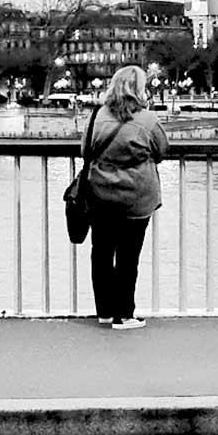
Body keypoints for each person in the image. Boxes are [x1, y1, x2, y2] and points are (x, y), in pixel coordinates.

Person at [84, 65, 169, 330]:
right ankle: (125, 314)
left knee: (101, 253)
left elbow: (86, 150)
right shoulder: (148, 120)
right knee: (128, 257)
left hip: (100, 194)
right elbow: (162, 150)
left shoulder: (97, 116)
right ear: (140, 89)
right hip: (136, 195)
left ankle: (105, 312)